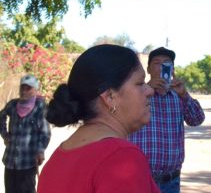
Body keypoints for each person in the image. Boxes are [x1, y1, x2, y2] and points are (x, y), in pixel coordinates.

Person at [37, 44, 159, 193]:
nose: (150, 91)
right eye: (140, 83)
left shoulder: (58, 158)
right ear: (110, 97)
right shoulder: (120, 157)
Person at [128, 47, 204, 193]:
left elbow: (197, 120)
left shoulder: (178, 96)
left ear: (172, 69)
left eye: (167, 63)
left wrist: (184, 95)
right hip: (139, 178)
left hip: (171, 181)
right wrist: (146, 89)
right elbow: (121, 117)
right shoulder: (136, 94)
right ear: (148, 69)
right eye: (157, 63)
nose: (162, 66)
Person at [1, 74, 51, 193]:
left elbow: (45, 132)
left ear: (35, 90)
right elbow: (1, 117)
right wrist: (5, 134)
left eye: (28, 88)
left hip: (28, 160)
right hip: (10, 160)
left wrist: (40, 150)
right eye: (22, 87)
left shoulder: (40, 107)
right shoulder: (13, 104)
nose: (23, 91)